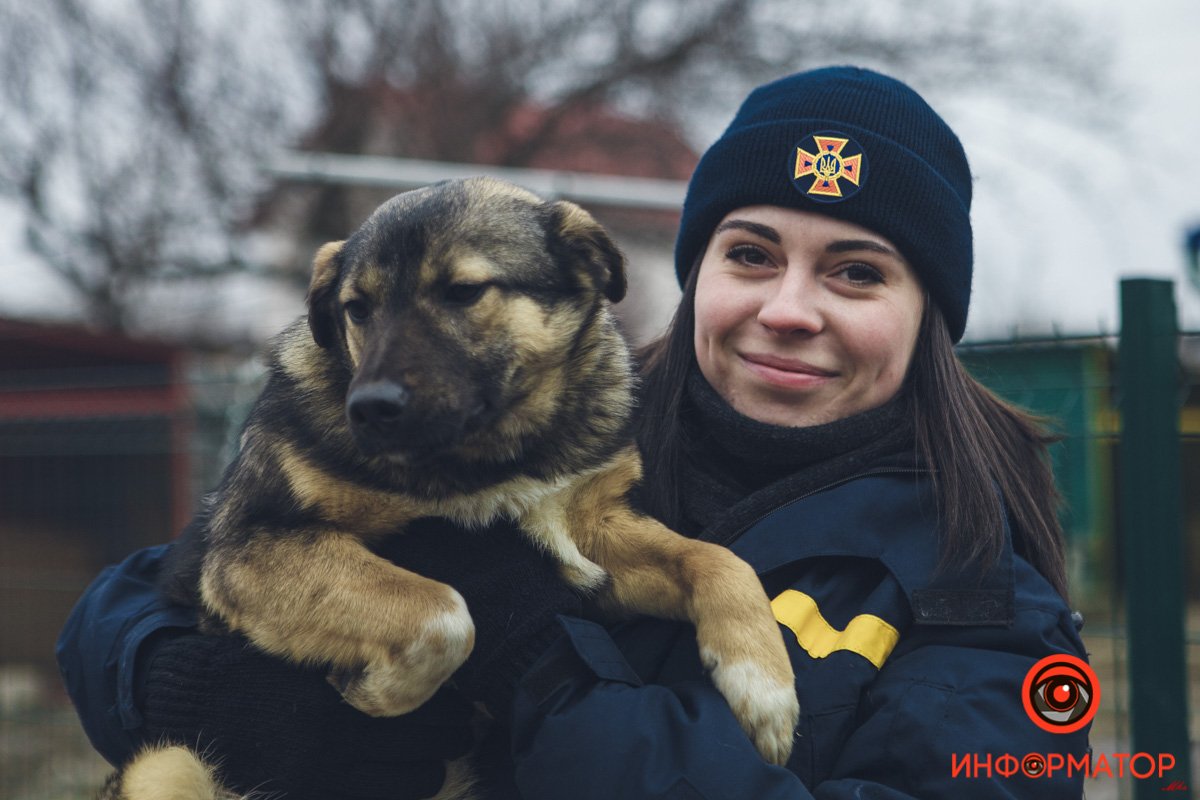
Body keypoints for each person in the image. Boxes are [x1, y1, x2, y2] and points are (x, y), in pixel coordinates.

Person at [58, 66, 1091, 799]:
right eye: (750, 253)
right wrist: (175, 679)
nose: (789, 306)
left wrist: (537, 671)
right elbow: (151, 587)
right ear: (696, 276)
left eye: (857, 271)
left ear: (931, 313)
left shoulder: (991, 606)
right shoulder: (546, 425)